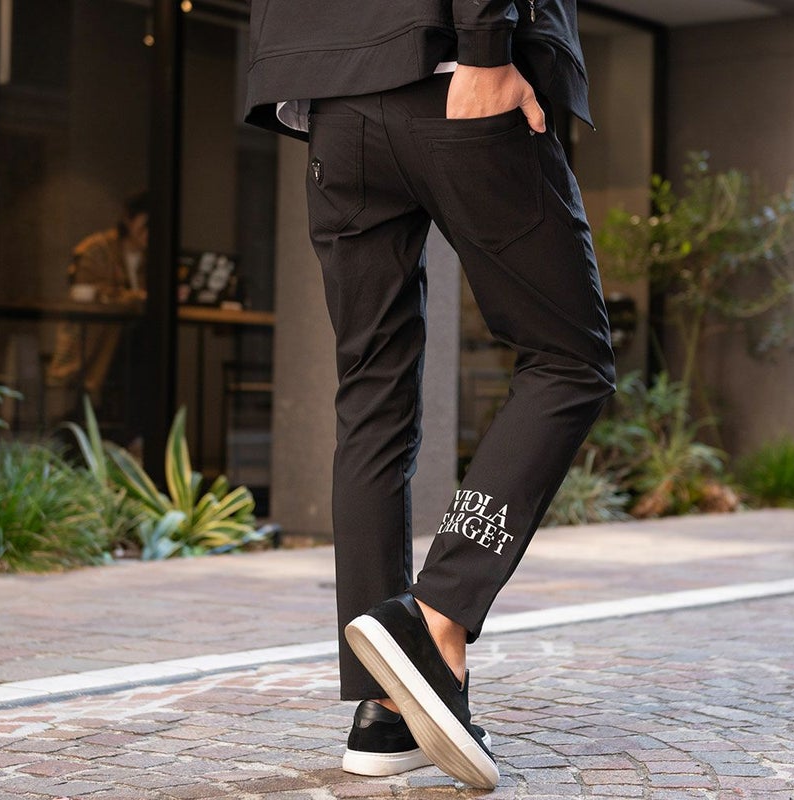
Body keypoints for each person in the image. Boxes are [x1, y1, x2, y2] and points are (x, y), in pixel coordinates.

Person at [245, 0, 616, 789]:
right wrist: (485, 45)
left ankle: (386, 711)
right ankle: (434, 619)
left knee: (370, 399)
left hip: (334, 107)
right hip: (456, 72)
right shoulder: (474, 55)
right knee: (570, 359)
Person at [47, 191, 148, 409]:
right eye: (146, 224)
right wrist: (134, 297)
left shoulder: (154, 258)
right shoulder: (97, 250)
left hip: (132, 344)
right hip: (95, 339)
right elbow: (85, 293)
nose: (150, 233)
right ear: (129, 220)